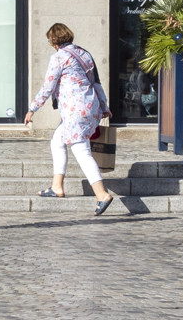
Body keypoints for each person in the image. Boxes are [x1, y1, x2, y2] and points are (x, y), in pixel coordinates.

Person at [23, 22, 116, 215]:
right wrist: (105, 106)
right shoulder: (84, 54)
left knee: (81, 150)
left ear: (54, 42)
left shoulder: (59, 57)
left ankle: (101, 194)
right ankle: (57, 187)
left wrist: (32, 108)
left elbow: (48, 87)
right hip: (90, 107)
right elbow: (96, 83)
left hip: (75, 112)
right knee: (57, 141)